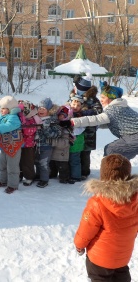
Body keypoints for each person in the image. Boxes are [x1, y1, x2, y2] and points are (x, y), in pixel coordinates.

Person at [74, 154, 138, 282]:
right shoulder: (135, 200)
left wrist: (79, 245)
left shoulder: (97, 203)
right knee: (121, 276)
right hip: (122, 257)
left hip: (100, 259)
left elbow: (86, 230)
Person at [60, 82, 138, 160]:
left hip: (134, 136)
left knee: (110, 150)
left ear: (111, 98)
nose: (101, 100)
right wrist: (92, 124)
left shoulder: (113, 110)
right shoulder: (121, 107)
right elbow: (110, 123)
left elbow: (96, 119)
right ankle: (119, 169)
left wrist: (72, 122)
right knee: (120, 155)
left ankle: (111, 170)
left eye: (103, 97)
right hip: (132, 136)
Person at [0, 96, 23, 194]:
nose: (1, 110)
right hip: (5, 145)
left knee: (12, 166)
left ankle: (13, 185)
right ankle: (2, 180)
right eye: (1, 108)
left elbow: (8, 127)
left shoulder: (14, 118)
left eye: (3, 108)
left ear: (10, 108)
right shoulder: (3, 117)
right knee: (2, 164)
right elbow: (0, 124)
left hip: (14, 146)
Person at [71, 73, 103, 180]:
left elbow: (98, 111)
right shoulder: (74, 96)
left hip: (89, 130)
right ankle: (74, 170)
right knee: (75, 151)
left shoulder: (93, 99)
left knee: (85, 151)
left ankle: (84, 172)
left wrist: (84, 112)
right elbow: (69, 106)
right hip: (75, 128)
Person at [35, 97, 62, 188]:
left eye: (43, 108)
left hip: (47, 145)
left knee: (44, 163)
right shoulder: (35, 118)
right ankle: (38, 176)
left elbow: (56, 134)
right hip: (36, 145)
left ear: (49, 110)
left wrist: (46, 128)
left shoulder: (52, 120)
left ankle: (44, 179)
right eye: (39, 108)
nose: (41, 110)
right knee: (37, 162)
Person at [18, 100, 41, 186]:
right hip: (19, 143)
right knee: (18, 161)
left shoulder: (32, 119)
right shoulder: (19, 118)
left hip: (29, 144)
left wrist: (23, 125)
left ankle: (29, 176)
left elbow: (29, 131)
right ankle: (19, 175)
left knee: (27, 161)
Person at [49, 105, 73, 184]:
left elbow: (65, 143)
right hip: (53, 153)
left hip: (62, 154)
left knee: (63, 168)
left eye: (63, 116)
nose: (61, 117)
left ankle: (65, 178)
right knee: (53, 166)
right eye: (60, 115)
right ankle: (53, 174)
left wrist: (52, 142)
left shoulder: (66, 128)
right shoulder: (55, 125)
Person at [68, 95, 85, 183]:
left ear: (81, 106)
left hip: (76, 142)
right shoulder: (66, 113)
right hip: (67, 142)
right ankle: (68, 174)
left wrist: (70, 130)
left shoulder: (81, 116)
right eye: (74, 104)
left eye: (78, 105)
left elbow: (81, 129)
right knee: (67, 159)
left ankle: (76, 176)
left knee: (74, 159)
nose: (75, 107)